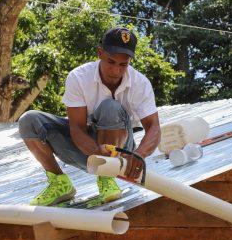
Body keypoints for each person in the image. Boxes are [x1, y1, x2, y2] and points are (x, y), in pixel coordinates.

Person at [18, 26, 161, 206]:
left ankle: (107, 177)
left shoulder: (140, 83)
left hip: (122, 152)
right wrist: (95, 151)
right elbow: (76, 128)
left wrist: (139, 155)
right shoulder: (78, 77)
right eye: (111, 61)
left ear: (130, 62)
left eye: (123, 64)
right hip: (87, 149)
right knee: (29, 121)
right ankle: (59, 184)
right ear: (100, 53)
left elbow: (154, 127)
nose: (116, 71)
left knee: (110, 107)